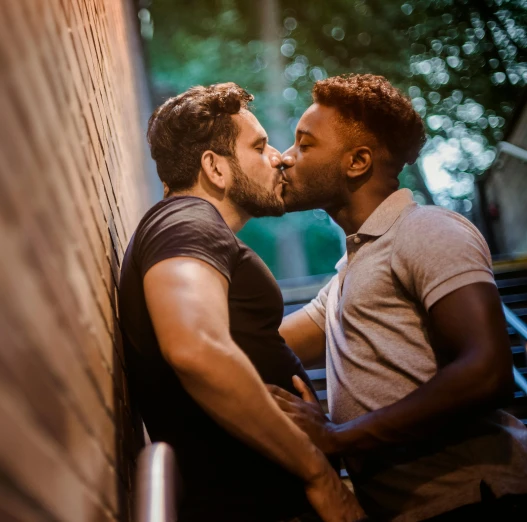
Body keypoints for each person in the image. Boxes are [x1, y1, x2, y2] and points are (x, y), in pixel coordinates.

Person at [272, 74, 527, 521]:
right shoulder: (350, 273)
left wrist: (339, 437)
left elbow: (489, 372)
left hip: (480, 500)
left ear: (358, 161)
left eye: (305, 145)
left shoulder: (424, 229)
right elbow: (271, 344)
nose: (285, 160)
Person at [118, 83, 364, 521]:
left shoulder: (185, 226)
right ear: (214, 167)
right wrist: (319, 476)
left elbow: (236, 340)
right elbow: (195, 348)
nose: (279, 158)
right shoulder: (188, 220)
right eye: (260, 146)